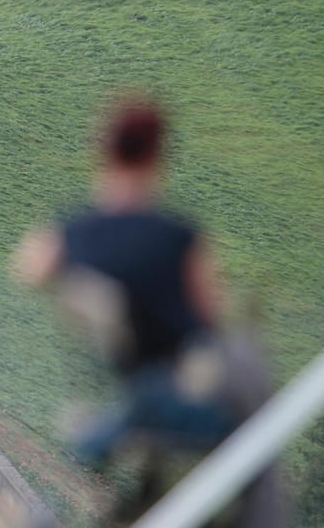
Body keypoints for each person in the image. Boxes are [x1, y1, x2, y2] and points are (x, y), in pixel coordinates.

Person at [14, 98, 285, 525]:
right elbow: (212, 317)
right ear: (158, 155)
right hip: (175, 394)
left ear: (103, 151)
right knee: (252, 392)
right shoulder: (179, 237)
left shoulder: (74, 233)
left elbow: (29, 268)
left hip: (118, 389)